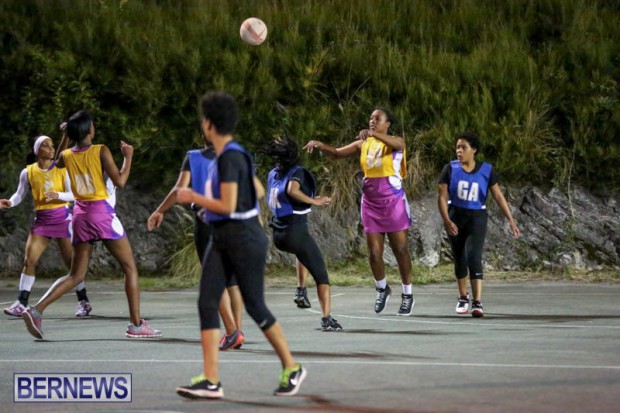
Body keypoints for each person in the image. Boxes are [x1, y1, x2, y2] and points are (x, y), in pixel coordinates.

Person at [175, 91, 306, 399]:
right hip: (223, 236)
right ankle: (211, 380)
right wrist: (215, 207)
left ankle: (292, 367)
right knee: (207, 302)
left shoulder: (230, 157)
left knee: (255, 306)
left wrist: (194, 197)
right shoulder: (235, 155)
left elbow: (228, 203)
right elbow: (257, 190)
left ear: (209, 124)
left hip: (244, 239)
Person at [21, 110, 161, 339]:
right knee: (130, 268)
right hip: (101, 213)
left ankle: (36, 310)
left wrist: (65, 136)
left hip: (80, 215)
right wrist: (128, 157)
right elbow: (120, 181)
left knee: (75, 275)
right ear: (88, 129)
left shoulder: (67, 155)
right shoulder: (100, 150)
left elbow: (56, 162)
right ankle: (136, 325)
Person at [304, 107, 415, 316]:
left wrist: (373, 134)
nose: (372, 121)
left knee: (401, 250)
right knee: (373, 253)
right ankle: (382, 288)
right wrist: (321, 145)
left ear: (387, 124)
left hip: (393, 201)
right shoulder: (364, 143)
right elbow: (336, 154)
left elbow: (400, 144)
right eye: (371, 118)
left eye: (377, 118)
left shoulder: (395, 142)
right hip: (371, 202)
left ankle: (407, 294)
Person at [147, 136, 246, 351]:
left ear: (203, 136)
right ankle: (236, 331)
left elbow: (179, 190)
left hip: (208, 221)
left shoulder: (193, 157)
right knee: (231, 279)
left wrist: (160, 210)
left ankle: (232, 332)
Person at [1, 134, 92, 318]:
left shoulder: (62, 169)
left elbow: (74, 194)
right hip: (42, 221)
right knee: (29, 261)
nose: (52, 149)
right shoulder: (28, 172)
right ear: (37, 151)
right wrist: (10, 202)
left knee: (73, 265)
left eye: (52, 145)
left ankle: (83, 301)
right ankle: (21, 303)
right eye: (46, 145)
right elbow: (19, 194)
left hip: (63, 219)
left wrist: (58, 195)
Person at [437, 132, 520, 317]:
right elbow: (442, 197)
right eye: (457, 147)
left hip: (477, 217)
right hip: (455, 215)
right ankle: (463, 297)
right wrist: (447, 220)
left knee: (474, 256)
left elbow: (498, 196)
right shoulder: (450, 169)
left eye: (463, 147)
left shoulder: (486, 170)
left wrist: (511, 219)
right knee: (460, 258)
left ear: (473, 150)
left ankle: (477, 302)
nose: (459, 151)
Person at [265, 137, 342, 331]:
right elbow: (292, 190)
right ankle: (327, 319)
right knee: (322, 276)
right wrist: (315, 201)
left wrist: (309, 199)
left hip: (279, 234)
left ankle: (301, 290)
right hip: (294, 231)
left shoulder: (273, 173)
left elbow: (286, 192)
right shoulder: (297, 172)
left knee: (302, 253)